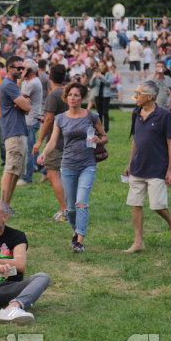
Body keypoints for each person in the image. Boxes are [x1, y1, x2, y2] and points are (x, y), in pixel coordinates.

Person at [38, 82, 107, 253]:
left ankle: (80, 241)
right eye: (70, 95)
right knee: (70, 208)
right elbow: (53, 141)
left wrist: (99, 140)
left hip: (87, 165)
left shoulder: (92, 116)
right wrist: (44, 153)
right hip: (68, 165)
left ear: (82, 98)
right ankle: (76, 232)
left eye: (76, 95)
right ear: (66, 97)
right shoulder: (60, 119)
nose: (73, 98)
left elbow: (104, 136)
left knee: (81, 202)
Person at [123, 80, 171, 253]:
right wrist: (130, 162)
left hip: (157, 167)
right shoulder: (136, 112)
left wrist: (170, 170)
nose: (135, 96)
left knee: (157, 204)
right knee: (135, 204)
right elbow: (136, 140)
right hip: (137, 167)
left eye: (138, 93)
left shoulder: (164, 115)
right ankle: (138, 242)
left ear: (149, 97)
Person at [33, 64, 68, 222]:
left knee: (52, 174)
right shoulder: (68, 92)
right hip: (69, 139)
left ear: (50, 77)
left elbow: (49, 120)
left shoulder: (53, 95)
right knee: (65, 176)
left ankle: (65, 210)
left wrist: (39, 140)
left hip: (56, 141)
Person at [0, 56, 31, 209]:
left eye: (22, 68)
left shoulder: (13, 85)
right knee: (10, 170)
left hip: (18, 131)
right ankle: (1, 206)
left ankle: (6, 205)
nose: (21, 71)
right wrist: (24, 103)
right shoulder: (8, 85)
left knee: (16, 171)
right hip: (14, 132)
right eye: (18, 68)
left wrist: (23, 102)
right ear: (9, 68)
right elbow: (27, 107)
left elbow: (24, 105)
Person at [18, 59, 43, 185]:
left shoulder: (31, 83)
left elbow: (17, 97)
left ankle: (27, 177)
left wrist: (21, 79)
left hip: (30, 120)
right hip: (32, 119)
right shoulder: (32, 81)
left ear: (29, 71)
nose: (20, 71)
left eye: (23, 69)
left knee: (29, 150)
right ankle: (46, 170)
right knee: (34, 147)